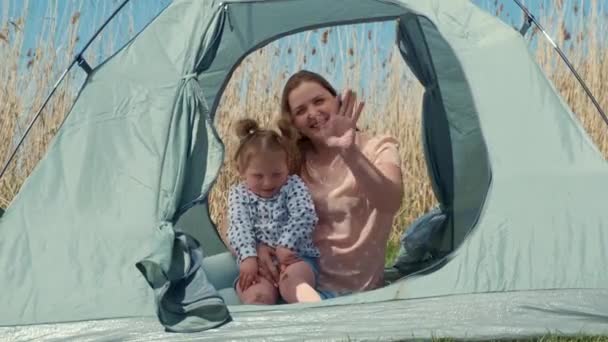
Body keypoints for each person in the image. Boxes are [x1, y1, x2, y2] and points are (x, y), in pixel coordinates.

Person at [254, 70, 404, 299]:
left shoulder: (378, 147)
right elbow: (250, 205)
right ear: (294, 123)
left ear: (337, 99)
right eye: (301, 111)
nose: (313, 113)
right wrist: (257, 247)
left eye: (319, 101)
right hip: (297, 281)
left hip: (355, 292)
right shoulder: (292, 160)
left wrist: (349, 153)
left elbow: (390, 201)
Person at [227, 118, 322, 305]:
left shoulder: (293, 185)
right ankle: (256, 326)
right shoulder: (239, 194)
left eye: (277, 174)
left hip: (294, 258)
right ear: (241, 170)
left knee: (294, 284)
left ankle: (317, 315)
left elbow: (305, 215)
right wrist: (248, 256)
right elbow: (238, 225)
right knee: (256, 293)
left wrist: (285, 245)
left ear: (288, 165)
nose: (268, 183)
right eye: (258, 176)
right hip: (258, 264)